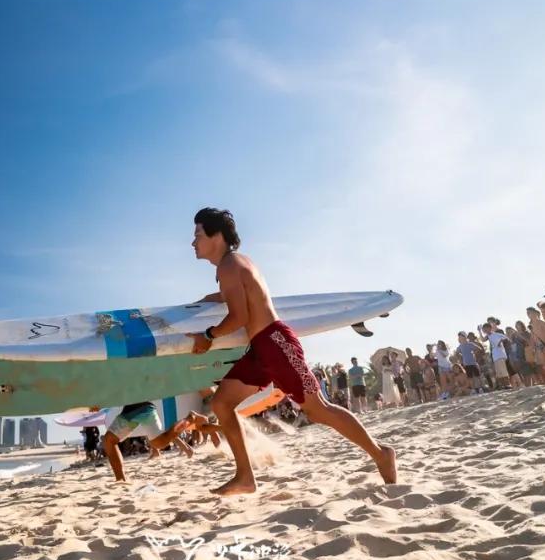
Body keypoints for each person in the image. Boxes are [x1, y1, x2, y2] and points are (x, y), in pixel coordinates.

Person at [188, 207, 396, 494]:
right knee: (222, 403)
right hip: (260, 348)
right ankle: (245, 477)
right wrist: (205, 302)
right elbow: (236, 295)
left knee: (319, 410)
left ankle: (380, 453)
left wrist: (208, 335)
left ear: (217, 236)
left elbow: (240, 316)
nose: (193, 242)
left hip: (275, 343)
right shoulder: (234, 264)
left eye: (198, 234)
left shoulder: (229, 265)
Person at [102, 401, 191, 481]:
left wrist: (99, 403)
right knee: (159, 443)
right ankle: (190, 419)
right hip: (144, 408)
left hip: (136, 409)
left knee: (109, 440)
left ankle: (121, 479)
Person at [483, 322, 511, 389]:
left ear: (490, 328)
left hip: (500, 355)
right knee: (499, 372)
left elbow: (503, 340)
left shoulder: (495, 335)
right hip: (496, 356)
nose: (485, 331)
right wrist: (479, 332)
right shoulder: (490, 336)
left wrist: (501, 341)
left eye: (486, 329)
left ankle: (508, 384)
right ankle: (504, 386)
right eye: (484, 329)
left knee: (503, 371)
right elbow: (483, 340)